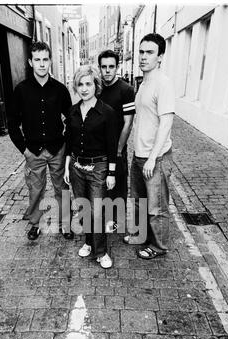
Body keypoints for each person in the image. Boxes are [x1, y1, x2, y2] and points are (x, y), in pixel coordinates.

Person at [8, 41, 73, 241]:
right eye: (37, 60)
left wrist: (67, 149)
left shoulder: (60, 90)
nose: (42, 64)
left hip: (57, 148)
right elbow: (12, 123)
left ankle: (65, 224)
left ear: (50, 61)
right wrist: (24, 150)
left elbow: (71, 121)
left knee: (61, 188)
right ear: (30, 62)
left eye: (45, 59)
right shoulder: (21, 90)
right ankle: (35, 223)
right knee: (35, 188)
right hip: (33, 150)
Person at [124, 33, 175, 259]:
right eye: (141, 52)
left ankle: (159, 246)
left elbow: (166, 122)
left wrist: (153, 157)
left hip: (155, 157)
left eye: (149, 52)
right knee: (140, 203)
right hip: (139, 154)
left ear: (160, 56)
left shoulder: (163, 83)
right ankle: (143, 236)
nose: (143, 57)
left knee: (157, 207)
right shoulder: (144, 82)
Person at [64, 65, 118, 269]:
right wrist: (68, 164)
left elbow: (112, 146)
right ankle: (88, 242)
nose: (84, 88)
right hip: (77, 166)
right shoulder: (73, 111)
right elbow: (69, 140)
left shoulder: (107, 112)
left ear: (96, 85)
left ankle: (101, 251)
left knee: (97, 211)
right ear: (76, 87)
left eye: (88, 84)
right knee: (83, 208)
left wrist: (111, 173)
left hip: (99, 168)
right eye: (80, 84)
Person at [98, 50, 135, 232]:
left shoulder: (126, 90)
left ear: (117, 67)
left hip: (118, 148)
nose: (107, 71)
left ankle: (117, 221)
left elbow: (128, 124)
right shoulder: (97, 88)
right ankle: (104, 218)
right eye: (104, 67)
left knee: (118, 186)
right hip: (99, 149)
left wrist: (118, 150)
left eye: (111, 67)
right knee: (102, 184)